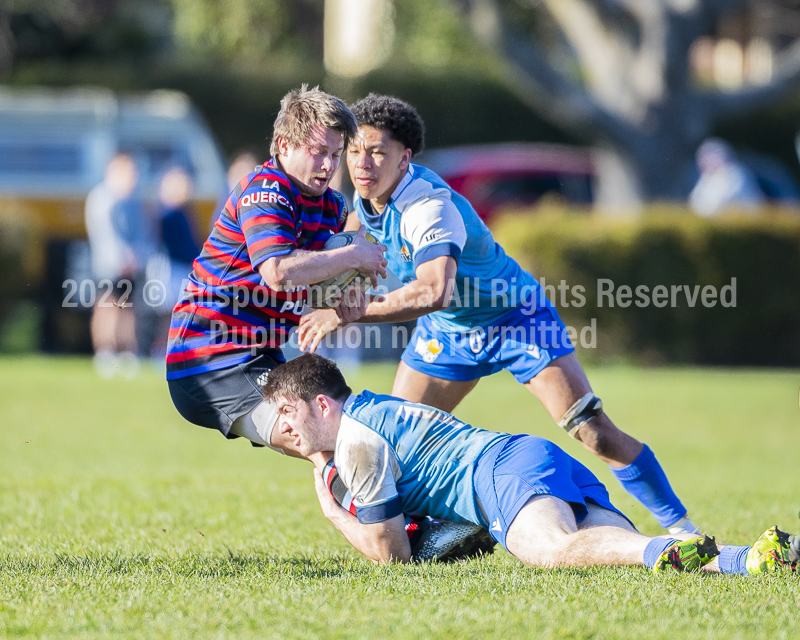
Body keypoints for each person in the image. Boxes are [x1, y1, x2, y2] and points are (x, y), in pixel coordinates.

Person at [298, 94, 697, 534]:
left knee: (591, 429)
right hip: (449, 332)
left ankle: (682, 529)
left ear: (404, 157)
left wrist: (347, 314)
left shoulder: (428, 206)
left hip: (515, 319)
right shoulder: (363, 200)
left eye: (377, 152)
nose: (362, 163)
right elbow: (355, 244)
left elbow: (434, 290)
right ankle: (429, 534)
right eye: (354, 150)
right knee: (395, 441)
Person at [264, 353, 799, 574]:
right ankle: (752, 558)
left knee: (555, 552)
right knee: (615, 548)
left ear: (323, 404)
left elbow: (393, 554)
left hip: (499, 478)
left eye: (287, 412)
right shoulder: (373, 408)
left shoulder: (357, 443)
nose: (282, 427)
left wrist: (335, 514)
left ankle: (663, 547)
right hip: (531, 456)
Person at [166, 85, 387, 455]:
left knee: (340, 424)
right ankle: (384, 514)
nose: (329, 166)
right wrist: (353, 257)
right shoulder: (266, 190)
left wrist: (340, 302)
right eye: (318, 153)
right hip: (209, 359)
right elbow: (278, 271)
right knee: (321, 436)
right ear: (283, 145)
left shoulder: (332, 205)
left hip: (262, 354)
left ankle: (390, 514)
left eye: (335, 154)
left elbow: (313, 280)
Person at [84, 152, 149, 378]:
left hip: (130, 267)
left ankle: (126, 351)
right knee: (107, 308)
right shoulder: (101, 198)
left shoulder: (132, 202)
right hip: (107, 266)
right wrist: (120, 258)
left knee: (128, 309)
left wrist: (136, 257)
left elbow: (141, 233)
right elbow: (104, 235)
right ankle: (104, 351)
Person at [689, 138, 765, 216]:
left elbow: (728, 199)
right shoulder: (707, 178)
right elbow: (695, 200)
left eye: (707, 157)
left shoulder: (737, 173)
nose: (703, 162)